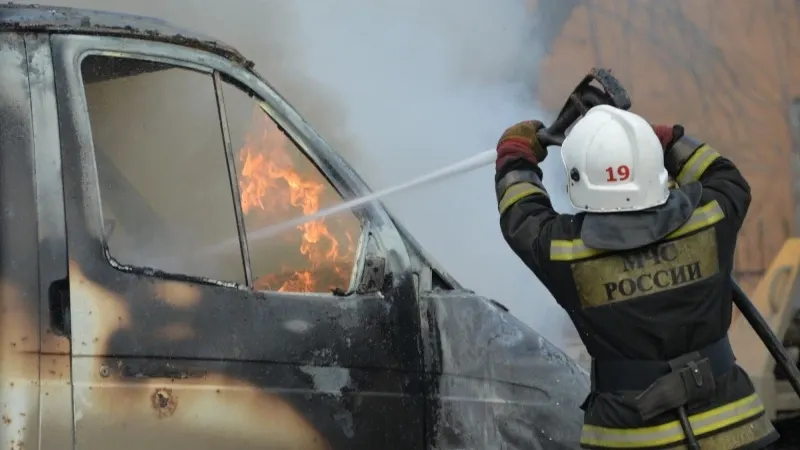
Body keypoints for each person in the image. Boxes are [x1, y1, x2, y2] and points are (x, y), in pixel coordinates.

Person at [494, 105, 780, 450]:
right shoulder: (712, 215)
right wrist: (664, 138)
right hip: (737, 427)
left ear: (578, 179)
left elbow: (521, 214)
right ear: (651, 167)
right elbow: (724, 175)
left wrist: (516, 157)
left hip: (629, 438)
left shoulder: (564, 252)